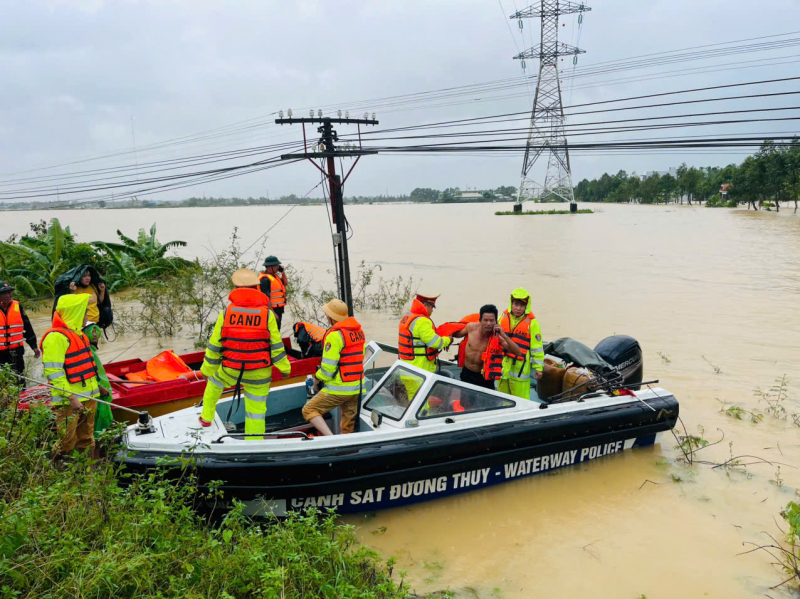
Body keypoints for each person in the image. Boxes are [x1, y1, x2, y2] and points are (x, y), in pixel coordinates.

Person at [198, 268, 291, 439]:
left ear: (235, 288)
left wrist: (206, 370)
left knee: (214, 382)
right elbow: (276, 346)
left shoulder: (227, 313)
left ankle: (206, 417)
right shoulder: (267, 314)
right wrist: (284, 369)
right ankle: (254, 441)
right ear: (256, 288)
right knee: (256, 411)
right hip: (259, 373)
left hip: (230, 368)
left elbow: (214, 345)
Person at [41, 295, 110, 456]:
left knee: (87, 439)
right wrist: (71, 397)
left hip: (88, 399)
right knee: (67, 441)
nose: (87, 316)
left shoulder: (80, 335)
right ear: (75, 313)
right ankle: (61, 471)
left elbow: (85, 367)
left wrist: (98, 386)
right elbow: (54, 373)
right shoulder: (55, 338)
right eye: (85, 312)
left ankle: (88, 473)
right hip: (69, 401)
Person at [302, 299, 365, 436]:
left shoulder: (335, 335)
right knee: (348, 428)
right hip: (357, 387)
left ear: (331, 318)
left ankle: (330, 439)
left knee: (309, 409)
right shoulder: (359, 332)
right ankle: (347, 451)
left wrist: (317, 379)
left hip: (339, 388)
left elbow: (328, 367)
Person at [451, 304, 521, 390]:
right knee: (466, 403)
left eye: (492, 320)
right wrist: (448, 338)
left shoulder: (497, 337)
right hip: (467, 373)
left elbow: (518, 352)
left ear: (496, 322)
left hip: (485, 378)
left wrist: (504, 335)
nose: (488, 323)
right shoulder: (471, 327)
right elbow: (456, 334)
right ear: (480, 320)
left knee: (484, 403)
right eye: (485, 320)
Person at [496, 288, 545, 400]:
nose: (518, 308)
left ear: (526, 306)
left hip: (520, 371)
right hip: (502, 369)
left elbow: (537, 348)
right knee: (503, 401)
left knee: (521, 402)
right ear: (511, 303)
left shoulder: (532, 323)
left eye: (522, 305)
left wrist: (538, 368)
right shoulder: (502, 318)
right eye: (516, 304)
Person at [398, 292, 452, 373]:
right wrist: (448, 340)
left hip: (406, 369)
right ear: (426, 305)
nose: (432, 310)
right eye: (432, 307)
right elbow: (435, 343)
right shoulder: (423, 321)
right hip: (419, 373)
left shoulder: (408, 316)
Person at [0, 281, 40, 378]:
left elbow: (27, 327)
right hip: (0, 353)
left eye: (9, 292)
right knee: (4, 378)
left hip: (16, 351)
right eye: (4, 293)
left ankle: (22, 392)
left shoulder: (17, 307)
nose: (8, 295)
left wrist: (34, 346)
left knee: (19, 376)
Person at [259, 256, 287, 329]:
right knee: (272, 331)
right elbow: (265, 298)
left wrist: (283, 272)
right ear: (269, 267)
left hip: (278, 309)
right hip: (272, 310)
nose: (278, 268)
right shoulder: (265, 280)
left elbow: (285, 283)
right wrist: (273, 313)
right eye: (276, 266)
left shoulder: (274, 277)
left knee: (277, 330)